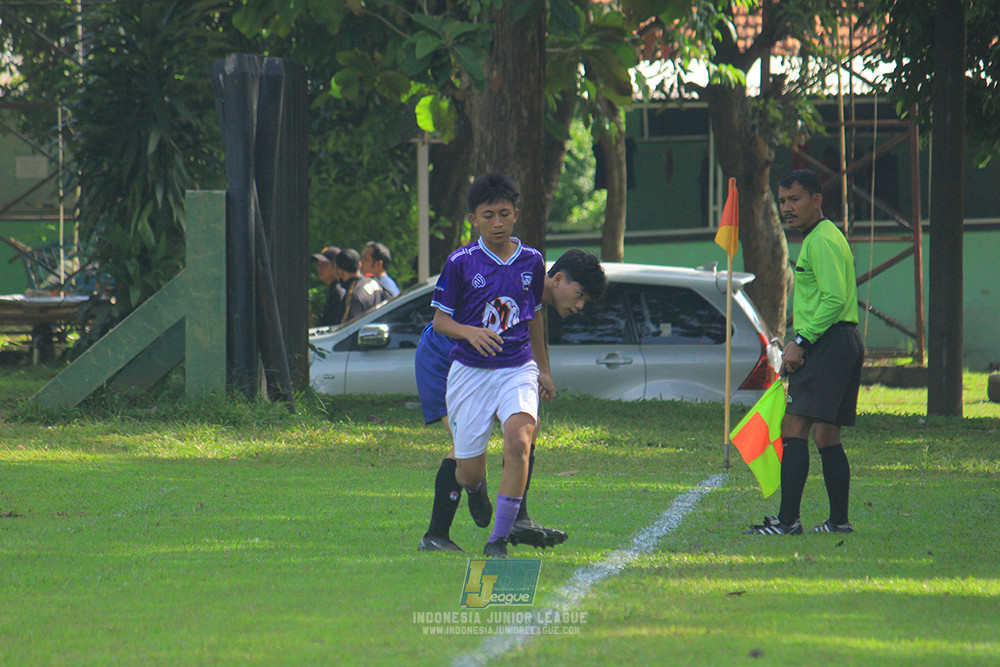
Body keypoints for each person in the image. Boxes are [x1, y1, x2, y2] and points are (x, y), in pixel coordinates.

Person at [418, 248, 606, 554]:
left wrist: (542, 372)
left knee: (526, 429)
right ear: (558, 279)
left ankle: (516, 516)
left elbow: (534, 324)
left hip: (494, 361)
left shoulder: (530, 283)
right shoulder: (518, 270)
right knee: (463, 451)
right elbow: (448, 319)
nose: (580, 305)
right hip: (443, 355)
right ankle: (437, 532)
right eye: (580, 294)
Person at [422, 173, 549, 558]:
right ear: (473, 219)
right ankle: (476, 490)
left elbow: (536, 316)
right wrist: (470, 332)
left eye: (504, 214)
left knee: (519, 440)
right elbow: (440, 321)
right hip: (470, 373)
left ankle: (499, 538)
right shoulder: (461, 262)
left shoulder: (533, 260)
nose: (497, 223)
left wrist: (543, 369)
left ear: (515, 215)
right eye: (488, 215)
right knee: (469, 470)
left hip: (517, 367)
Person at [744, 168, 864, 536]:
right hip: (843, 341)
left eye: (794, 199)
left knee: (793, 425)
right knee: (827, 435)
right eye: (782, 201)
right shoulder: (822, 237)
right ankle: (838, 521)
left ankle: (787, 521)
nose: (787, 208)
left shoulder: (822, 241)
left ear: (817, 200)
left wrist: (802, 341)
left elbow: (834, 299)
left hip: (828, 341)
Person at [334, 248, 389, 323]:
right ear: (359, 265)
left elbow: (349, 329)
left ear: (340, 271)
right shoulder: (373, 281)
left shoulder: (354, 296)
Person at [312, 246, 345, 327]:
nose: (319, 268)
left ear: (336, 266)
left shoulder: (339, 291)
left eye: (324, 264)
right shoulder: (333, 289)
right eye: (318, 264)